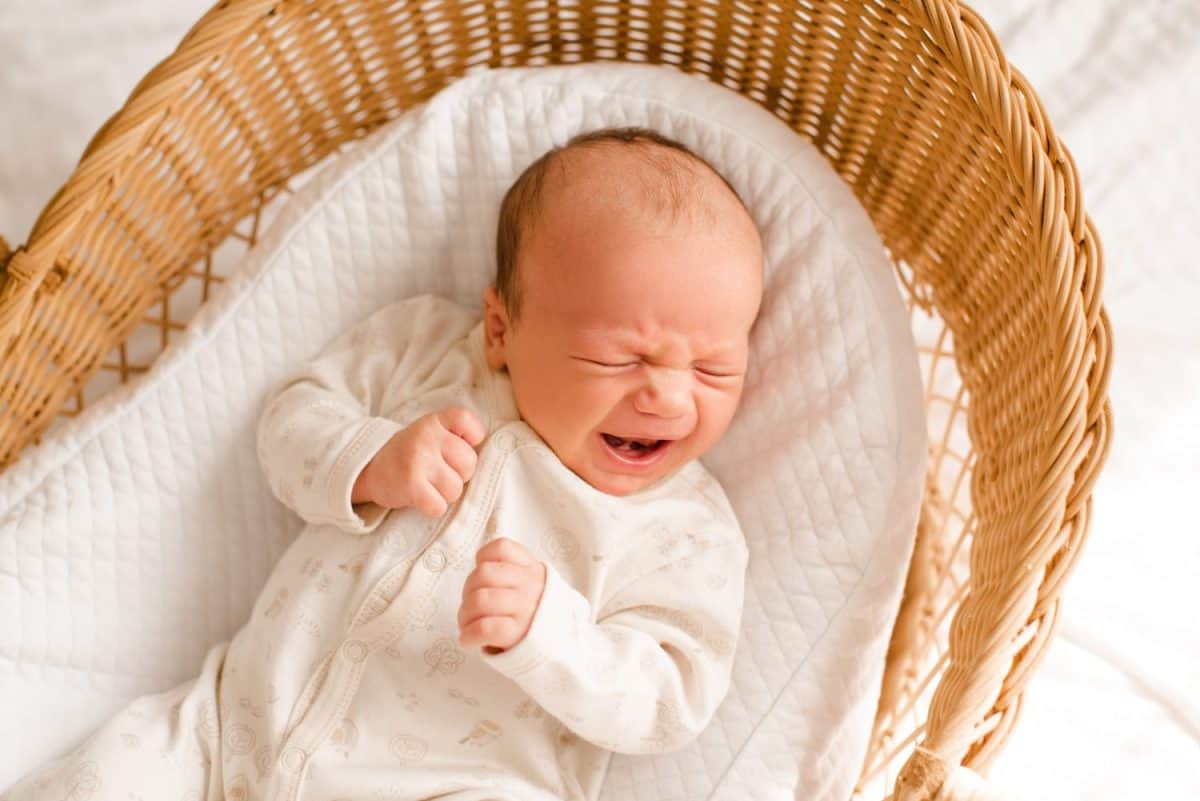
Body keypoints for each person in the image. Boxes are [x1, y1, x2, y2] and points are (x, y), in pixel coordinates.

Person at [2, 126, 764, 801]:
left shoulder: (684, 530)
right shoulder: (429, 350)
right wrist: (368, 461)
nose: (667, 395)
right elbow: (290, 420)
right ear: (501, 328)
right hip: (232, 725)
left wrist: (551, 630)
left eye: (713, 369)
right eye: (620, 355)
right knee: (105, 775)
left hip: (456, 781)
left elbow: (672, 698)